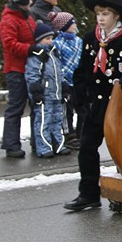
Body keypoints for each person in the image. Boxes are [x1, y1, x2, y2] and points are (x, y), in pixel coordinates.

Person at [66, 0, 122, 212]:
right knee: (87, 147)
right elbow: (83, 69)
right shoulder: (90, 38)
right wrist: (80, 95)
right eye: (98, 14)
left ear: (116, 16)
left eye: (105, 14)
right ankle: (88, 194)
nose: (101, 19)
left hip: (121, 103)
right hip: (97, 103)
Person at [0, 0, 38, 159]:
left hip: (31, 68)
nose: (31, 2)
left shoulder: (27, 17)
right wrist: (32, 49)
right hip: (16, 70)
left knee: (36, 106)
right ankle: (11, 144)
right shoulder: (9, 20)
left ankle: (38, 142)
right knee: (16, 108)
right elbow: (9, 45)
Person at [25, 22, 69, 158]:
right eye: (47, 39)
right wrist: (36, 92)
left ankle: (59, 144)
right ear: (39, 40)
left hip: (56, 94)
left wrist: (64, 86)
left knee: (57, 120)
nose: (50, 41)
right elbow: (33, 74)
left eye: (51, 38)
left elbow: (59, 73)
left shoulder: (54, 55)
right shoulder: (37, 55)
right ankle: (44, 147)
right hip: (45, 96)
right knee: (44, 121)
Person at [51, 11, 83, 149]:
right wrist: (62, 80)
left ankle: (82, 132)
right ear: (64, 26)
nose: (75, 24)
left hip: (79, 81)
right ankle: (68, 134)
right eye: (72, 22)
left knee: (83, 109)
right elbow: (57, 63)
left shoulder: (79, 41)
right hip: (65, 82)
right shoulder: (57, 43)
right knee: (67, 110)